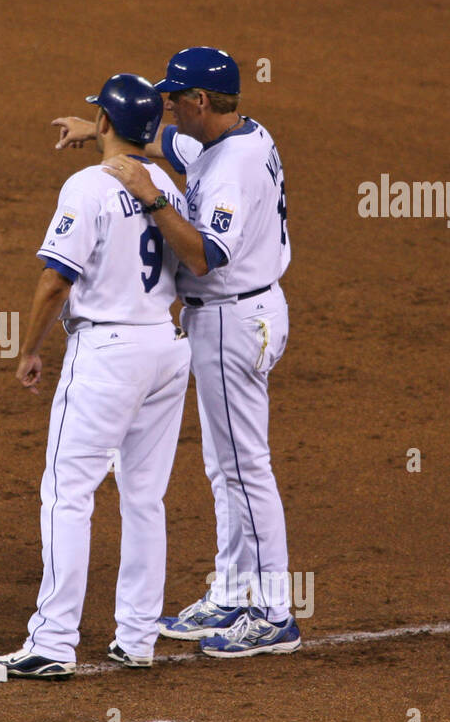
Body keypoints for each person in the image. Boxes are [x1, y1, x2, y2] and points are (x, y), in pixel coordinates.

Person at [55, 47, 302, 657]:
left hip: (232, 319)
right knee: (228, 468)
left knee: (245, 468)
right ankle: (232, 593)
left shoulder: (230, 169)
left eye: (174, 97)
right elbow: (174, 147)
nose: (165, 105)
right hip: (245, 311)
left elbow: (202, 256)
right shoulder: (239, 134)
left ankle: (274, 613)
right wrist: (101, 134)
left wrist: (154, 198)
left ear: (198, 101)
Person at [0, 74, 196, 679]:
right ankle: (137, 638)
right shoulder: (166, 184)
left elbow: (57, 278)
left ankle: (53, 642)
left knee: (67, 493)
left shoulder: (86, 186)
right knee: (144, 496)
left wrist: (29, 348)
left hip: (108, 354)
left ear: (102, 124)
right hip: (166, 345)